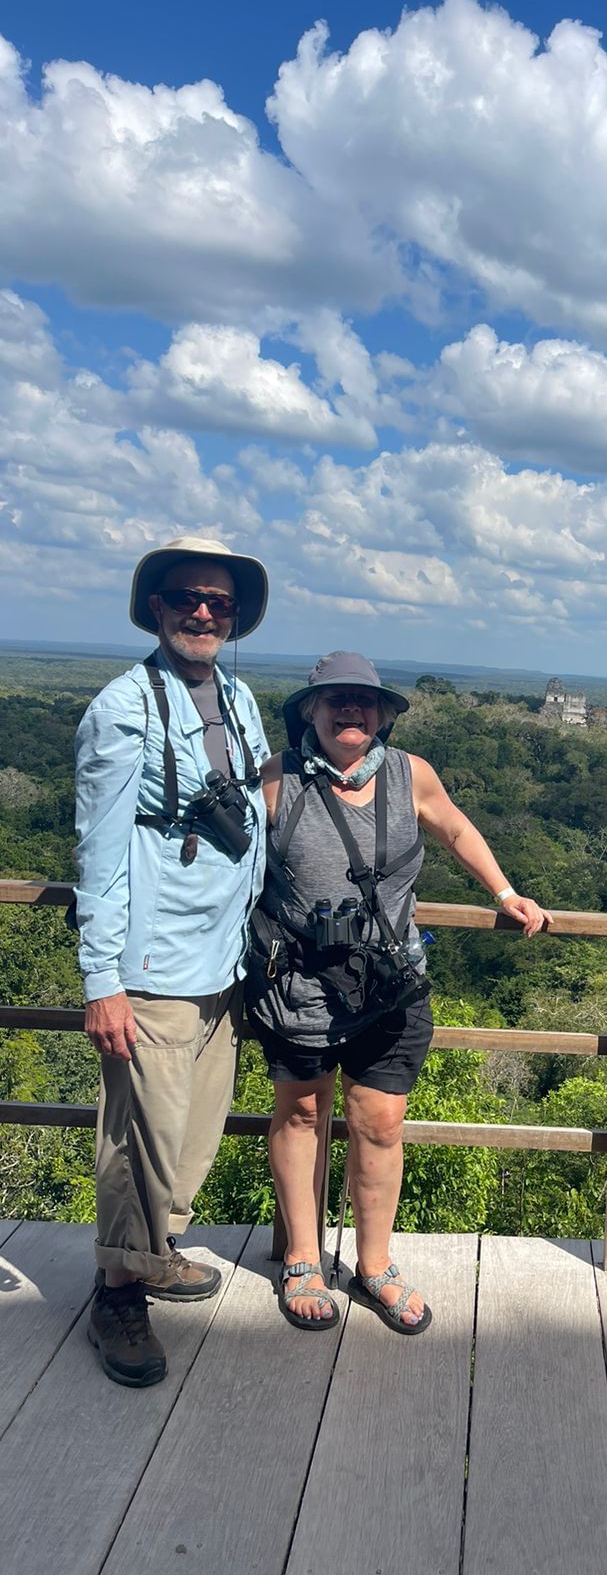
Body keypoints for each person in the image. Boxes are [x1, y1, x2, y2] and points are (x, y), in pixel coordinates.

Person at [250, 652, 550, 1334]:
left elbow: (456, 829)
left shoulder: (410, 775)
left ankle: (374, 1264)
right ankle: (302, 1258)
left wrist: (504, 892)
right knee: (301, 1114)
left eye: (363, 700)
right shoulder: (278, 778)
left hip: (390, 981)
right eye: (334, 700)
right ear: (309, 713)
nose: (349, 710)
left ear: (383, 714)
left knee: (380, 1123)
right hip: (299, 981)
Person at [75, 535, 271, 1387]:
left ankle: (157, 1252)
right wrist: (102, 980)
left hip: (223, 960)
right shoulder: (123, 709)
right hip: (151, 966)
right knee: (139, 1139)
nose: (202, 613)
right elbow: (101, 849)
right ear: (155, 608)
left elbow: (262, 801)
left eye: (218, 604)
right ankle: (119, 1294)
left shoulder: (236, 694)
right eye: (186, 598)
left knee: (191, 1136)